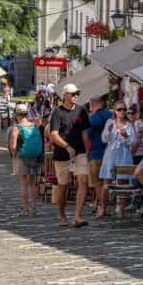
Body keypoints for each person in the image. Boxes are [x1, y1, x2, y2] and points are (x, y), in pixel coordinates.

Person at [49, 83, 90, 228]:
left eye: (77, 93)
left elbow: (85, 132)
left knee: (83, 182)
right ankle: (62, 215)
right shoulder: (57, 112)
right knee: (63, 186)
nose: (76, 96)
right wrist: (66, 146)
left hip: (80, 152)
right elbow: (53, 135)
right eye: (73, 94)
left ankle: (78, 216)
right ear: (65, 95)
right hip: (62, 154)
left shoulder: (82, 110)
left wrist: (87, 150)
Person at [99, 101, 135, 218]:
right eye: (120, 109)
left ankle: (121, 209)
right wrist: (108, 130)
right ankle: (103, 209)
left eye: (124, 109)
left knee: (122, 182)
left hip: (124, 153)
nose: (122, 112)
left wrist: (125, 135)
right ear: (115, 111)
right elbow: (104, 140)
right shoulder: (110, 122)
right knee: (106, 182)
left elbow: (132, 142)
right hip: (111, 153)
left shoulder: (129, 124)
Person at [10, 103, 43, 216]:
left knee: (24, 184)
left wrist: (14, 157)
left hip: (23, 156)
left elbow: (13, 145)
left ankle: (25, 209)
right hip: (34, 156)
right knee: (32, 183)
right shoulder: (34, 126)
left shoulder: (17, 127)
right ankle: (34, 208)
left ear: (17, 115)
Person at [87, 94, 112, 216]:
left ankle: (103, 208)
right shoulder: (111, 115)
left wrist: (86, 151)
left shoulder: (93, 118)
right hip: (110, 154)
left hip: (96, 154)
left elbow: (87, 135)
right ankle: (98, 205)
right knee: (106, 183)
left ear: (92, 104)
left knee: (98, 183)